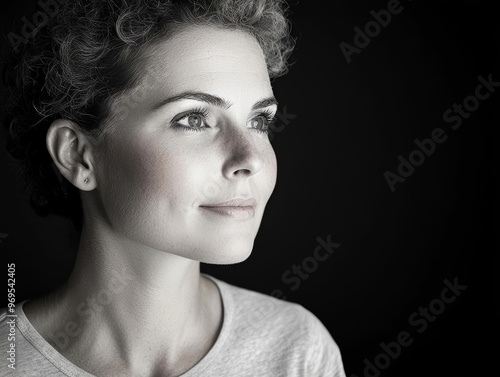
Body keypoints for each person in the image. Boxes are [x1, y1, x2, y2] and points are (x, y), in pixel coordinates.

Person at [0, 0, 346, 376]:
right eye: (194, 118)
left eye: (259, 120)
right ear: (78, 156)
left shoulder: (297, 350)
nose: (251, 159)